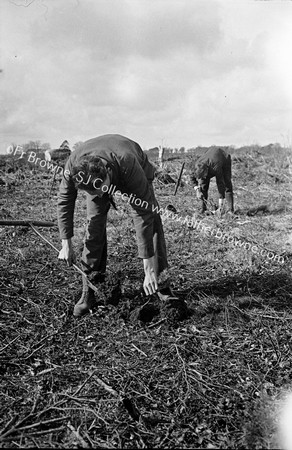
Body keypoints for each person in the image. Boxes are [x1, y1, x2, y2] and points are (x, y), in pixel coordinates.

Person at [57, 134, 173, 317]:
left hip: (134, 170)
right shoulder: (74, 167)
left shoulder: (127, 162)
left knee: (152, 218)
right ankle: (91, 288)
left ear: (107, 171)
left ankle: (161, 284)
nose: (103, 195)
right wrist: (66, 243)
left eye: (104, 189)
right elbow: (65, 201)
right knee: (94, 224)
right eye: (96, 192)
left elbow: (142, 216)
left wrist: (148, 268)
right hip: (99, 175)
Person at [191, 147, 234, 214]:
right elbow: (191, 178)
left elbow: (220, 183)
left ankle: (230, 210)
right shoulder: (197, 165)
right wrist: (197, 190)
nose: (203, 178)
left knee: (227, 184)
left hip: (224, 159)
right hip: (210, 159)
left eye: (204, 176)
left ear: (206, 171)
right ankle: (203, 209)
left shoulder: (215, 166)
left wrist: (221, 205)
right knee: (203, 186)